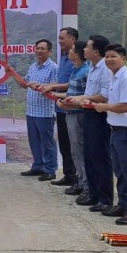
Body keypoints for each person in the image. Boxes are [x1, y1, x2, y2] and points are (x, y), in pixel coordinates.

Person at [93, 44, 127, 226]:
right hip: (115, 130)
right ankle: (123, 205)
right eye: (106, 56)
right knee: (120, 171)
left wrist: (104, 107)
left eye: (113, 56)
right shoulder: (115, 77)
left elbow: (124, 106)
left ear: (123, 58)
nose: (109, 60)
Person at [67, 35, 113, 211]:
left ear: (96, 51)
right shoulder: (93, 68)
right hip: (88, 113)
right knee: (89, 156)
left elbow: (103, 96)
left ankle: (105, 198)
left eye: (87, 47)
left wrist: (80, 98)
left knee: (100, 157)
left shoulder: (104, 70)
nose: (83, 49)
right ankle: (93, 194)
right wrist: (78, 100)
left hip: (99, 115)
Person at [8, 39, 59, 181]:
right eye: (37, 48)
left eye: (43, 48)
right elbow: (24, 84)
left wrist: (40, 85)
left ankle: (50, 170)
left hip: (45, 112)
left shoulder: (53, 68)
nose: (39, 51)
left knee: (47, 142)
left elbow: (56, 86)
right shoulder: (33, 67)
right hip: (31, 111)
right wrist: (12, 73)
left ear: (49, 51)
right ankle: (37, 166)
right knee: (34, 141)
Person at [52, 40, 90, 201]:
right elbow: (72, 93)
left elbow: (86, 97)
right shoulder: (76, 70)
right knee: (74, 151)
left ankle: (86, 187)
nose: (69, 52)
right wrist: (58, 96)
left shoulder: (86, 71)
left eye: (73, 50)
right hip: (70, 113)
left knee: (80, 152)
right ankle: (81, 183)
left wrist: (68, 101)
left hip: (79, 115)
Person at [49, 27, 80, 187]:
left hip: (72, 107)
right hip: (60, 107)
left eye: (62, 38)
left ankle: (77, 179)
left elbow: (72, 85)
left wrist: (52, 88)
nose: (60, 41)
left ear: (72, 39)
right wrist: (48, 86)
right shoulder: (63, 58)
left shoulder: (79, 61)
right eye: (59, 38)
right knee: (64, 144)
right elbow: (61, 82)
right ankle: (68, 175)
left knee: (74, 145)